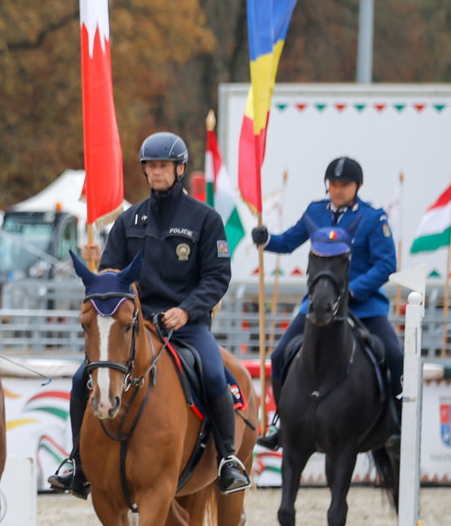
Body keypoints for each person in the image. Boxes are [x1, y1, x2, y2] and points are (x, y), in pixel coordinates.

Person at [49, 132, 251, 498]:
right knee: (82, 377)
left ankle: (227, 458)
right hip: (134, 326)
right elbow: (111, 277)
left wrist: (186, 310)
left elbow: (217, 277)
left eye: (163, 166)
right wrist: (99, 271)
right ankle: (77, 461)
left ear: (179, 169)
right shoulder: (128, 221)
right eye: (151, 166)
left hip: (186, 326)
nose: (156, 172)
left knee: (213, 373)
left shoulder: (205, 219)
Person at [251, 156, 401, 450]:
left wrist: (352, 291)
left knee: (395, 355)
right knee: (280, 355)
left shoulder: (374, 218)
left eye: (344, 185)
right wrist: (266, 239)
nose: (337, 190)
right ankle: (282, 424)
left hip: (363, 306)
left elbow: (386, 265)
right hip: (318, 305)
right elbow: (288, 242)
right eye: (333, 184)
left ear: (357, 186)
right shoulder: (315, 212)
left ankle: (396, 425)